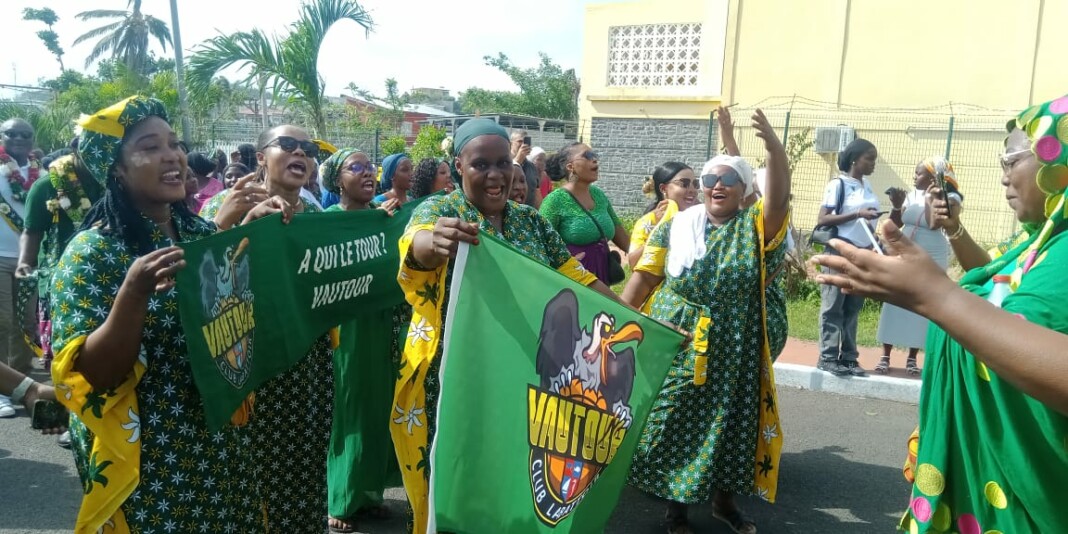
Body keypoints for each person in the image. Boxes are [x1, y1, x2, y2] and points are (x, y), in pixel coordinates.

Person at [811, 95, 1068, 534]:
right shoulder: (1038, 242)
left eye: (1011, 160)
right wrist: (952, 237)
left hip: (1036, 500)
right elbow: (996, 285)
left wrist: (936, 297)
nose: (1003, 176)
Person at [49, 95, 290, 533]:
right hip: (154, 463)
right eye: (149, 146)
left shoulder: (201, 233)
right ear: (116, 169)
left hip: (221, 449)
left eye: (175, 144)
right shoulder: (92, 253)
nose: (172, 156)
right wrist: (133, 294)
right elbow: (93, 375)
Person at [391, 118, 625, 534]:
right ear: (458, 165)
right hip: (452, 382)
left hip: (523, 377)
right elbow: (417, 245)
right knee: (454, 488)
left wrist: (639, 322)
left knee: (510, 487)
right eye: (481, 165)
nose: (496, 175)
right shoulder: (440, 210)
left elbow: (581, 280)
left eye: (503, 163)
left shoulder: (530, 222)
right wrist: (434, 242)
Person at [619, 109, 790, 534]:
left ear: (743, 189)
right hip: (679, 338)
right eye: (708, 179)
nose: (715, 185)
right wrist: (616, 321)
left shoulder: (754, 229)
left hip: (735, 344)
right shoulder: (676, 227)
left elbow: (779, 199)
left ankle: (723, 503)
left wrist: (774, 149)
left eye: (727, 179)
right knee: (671, 418)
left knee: (731, 423)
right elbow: (643, 278)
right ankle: (676, 506)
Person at [200, 124, 334, 532]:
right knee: (255, 470)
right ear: (261, 157)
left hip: (308, 361)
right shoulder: (226, 205)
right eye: (288, 145)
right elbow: (200, 276)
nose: (301, 153)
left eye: (307, 148)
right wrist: (241, 228)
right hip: (252, 365)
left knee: (305, 462)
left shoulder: (313, 213)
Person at [317, 148, 401, 533]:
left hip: (379, 324)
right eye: (357, 167)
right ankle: (339, 497)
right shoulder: (326, 222)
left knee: (376, 405)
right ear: (338, 180)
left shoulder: (383, 219)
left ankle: (368, 494)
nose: (368, 173)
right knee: (346, 408)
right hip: (344, 331)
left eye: (371, 167)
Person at [876, 157, 963, 375]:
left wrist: (931, 196)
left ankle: (912, 359)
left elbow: (934, 223)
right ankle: (885, 355)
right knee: (894, 299)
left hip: (931, 254)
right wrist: (897, 205)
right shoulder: (911, 195)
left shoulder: (950, 197)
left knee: (921, 303)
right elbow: (896, 223)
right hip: (904, 251)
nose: (914, 176)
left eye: (919, 173)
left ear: (934, 177)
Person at [18, 154, 103, 375]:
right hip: (61, 279)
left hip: (107, 273)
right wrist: (25, 262)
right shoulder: (47, 185)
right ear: (78, 150)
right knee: (67, 354)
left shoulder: (116, 179)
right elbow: (32, 230)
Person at [815, 137, 882, 377]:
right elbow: (823, 218)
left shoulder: (868, 186)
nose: (873, 164)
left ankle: (849, 358)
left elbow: (869, 221)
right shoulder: (838, 184)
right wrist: (857, 214)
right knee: (834, 305)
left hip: (862, 252)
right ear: (855, 159)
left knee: (853, 306)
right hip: (840, 250)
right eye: (869, 159)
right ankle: (828, 357)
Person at [540, 143, 629, 284]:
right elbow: (540, 243)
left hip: (602, 276)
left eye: (594, 156)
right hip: (571, 279)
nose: (594, 160)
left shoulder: (599, 195)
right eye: (587, 156)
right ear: (570, 167)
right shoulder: (554, 201)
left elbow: (619, 232)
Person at [0, 118, 41, 416]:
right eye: (10, 133)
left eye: (24, 134)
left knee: (27, 324)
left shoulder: (44, 174)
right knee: (2, 322)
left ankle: (19, 382)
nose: (17, 138)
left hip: (29, 259)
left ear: (32, 139)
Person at [627, 161, 699, 269]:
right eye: (684, 183)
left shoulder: (701, 217)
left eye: (695, 184)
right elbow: (633, 262)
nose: (692, 190)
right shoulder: (650, 221)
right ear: (663, 188)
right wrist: (659, 233)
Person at [510, 129, 542, 207]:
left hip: (527, 215)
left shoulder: (532, 167)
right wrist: (518, 160)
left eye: (526, 141)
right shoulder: (504, 163)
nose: (523, 145)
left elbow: (536, 193)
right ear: (511, 143)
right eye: (520, 141)